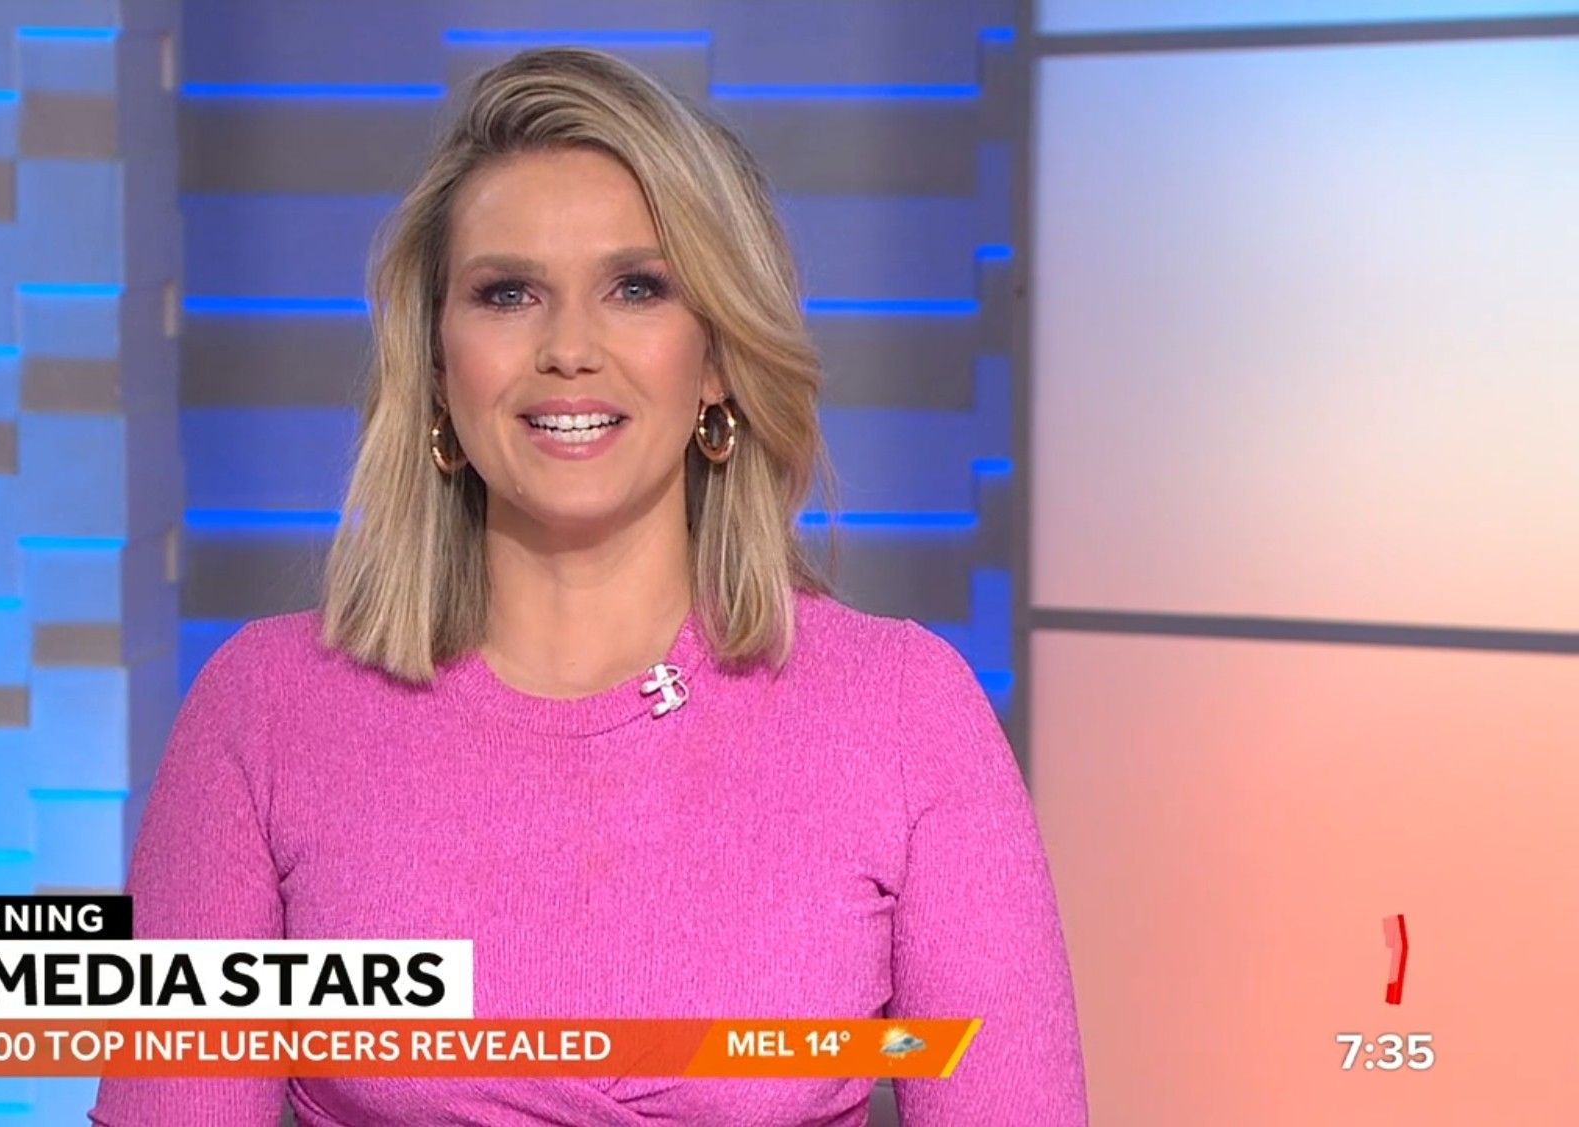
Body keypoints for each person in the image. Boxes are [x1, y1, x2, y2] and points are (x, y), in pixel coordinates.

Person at [91, 46, 1085, 1126]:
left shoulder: (901, 711)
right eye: (507, 293)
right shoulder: (265, 710)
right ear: (436, 366)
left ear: (716, 359)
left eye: (636, 288)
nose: (569, 348)